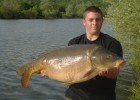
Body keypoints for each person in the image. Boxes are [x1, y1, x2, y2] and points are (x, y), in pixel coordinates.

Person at [64, 6, 123, 100]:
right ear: (84, 22)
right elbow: (67, 70)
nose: (94, 23)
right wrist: (49, 70)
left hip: (103, 97)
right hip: (74, 96)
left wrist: (107, 72)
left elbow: (115, 73)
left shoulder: (112, 43)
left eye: (97, 19)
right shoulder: (74, 43)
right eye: (91, 20)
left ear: (102, 22)